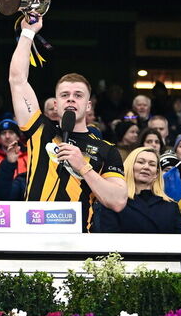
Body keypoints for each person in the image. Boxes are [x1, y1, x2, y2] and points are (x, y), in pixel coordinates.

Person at [8, 14, 126, 230]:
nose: (71, 98)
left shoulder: (106, 149)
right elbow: (18, 81)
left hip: (78, 242)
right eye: (65, 95)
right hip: (31, 234)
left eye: (78, 95)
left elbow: (118, 201)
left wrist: (83, 167)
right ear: (56, 103)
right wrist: (27, 33)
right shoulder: (39, 129)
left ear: (88, 106)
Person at [93, 147, 181, 235]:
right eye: (141, 162)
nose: (146, 167)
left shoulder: (171, 206)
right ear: (130, 167)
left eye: (152, 164)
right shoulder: (113, 202)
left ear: (156, 173)